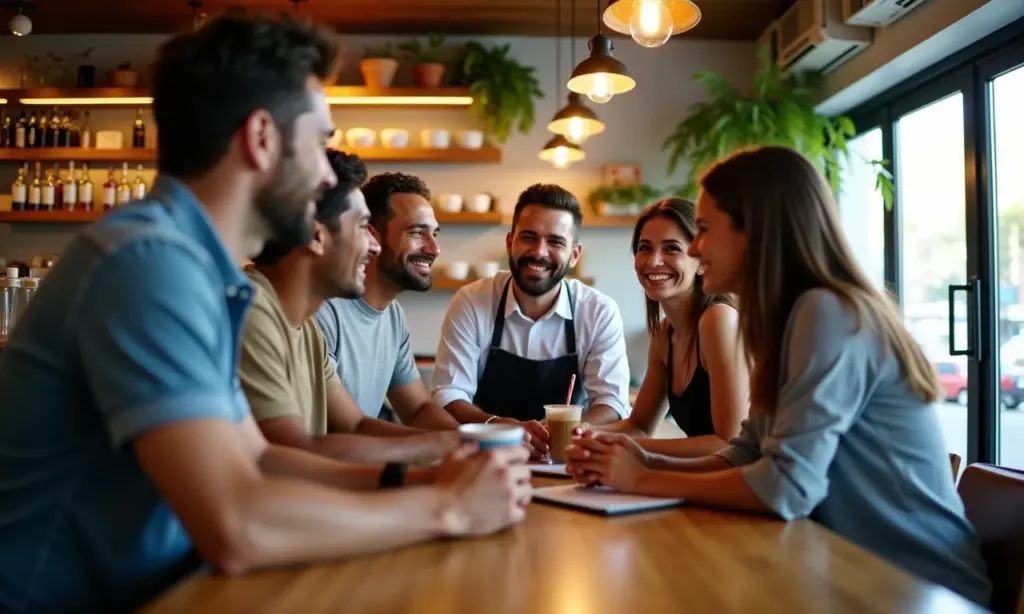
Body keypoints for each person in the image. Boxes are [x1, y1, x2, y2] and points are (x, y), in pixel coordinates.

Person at [0, 15, 528, 614]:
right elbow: (236, 522)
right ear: (261, 139)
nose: (329, 175)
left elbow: (260, 459)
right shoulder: (149, 262)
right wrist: (449, 508)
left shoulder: (198, 269)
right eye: (318, 143)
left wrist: (426, 478)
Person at [565, 145, 991, 606]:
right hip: (848, 570)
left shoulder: (826, 311)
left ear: (756, 232)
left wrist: (643, 479)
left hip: (919, 588)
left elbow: (785, 488)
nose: (693, 247)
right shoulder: (786, 319)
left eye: (704, 230)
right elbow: (746, 453)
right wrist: (643, 460)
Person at [241, 152, 459, 465]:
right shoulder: (253, 310)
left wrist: (462, 444)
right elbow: (291, 456)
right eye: (362, 227)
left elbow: (356, 424)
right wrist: (447, 452)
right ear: (318, 235)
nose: (372, 246)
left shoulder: (306, 327)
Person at [432, 183, 632, 456]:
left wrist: (569, 432)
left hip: (568, 459)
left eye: (555, 242)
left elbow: (612, 403)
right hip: (486, 455)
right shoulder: (471, 301)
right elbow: (449, 394)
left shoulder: (598, 311)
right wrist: (500, 427)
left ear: (574, 255)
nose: (539, 252)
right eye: (529, 237)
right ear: (509, 242)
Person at [578, 198, 749, 458]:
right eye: (644, 248)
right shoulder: (663, 334)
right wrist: (583, 433)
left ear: (700, 260)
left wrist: (621, 446)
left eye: (671, 249)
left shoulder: (718, 320)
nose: (654, 261)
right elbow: (639, 426)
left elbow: (730, 443)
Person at [315, 172, 459, 430]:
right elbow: (349, 429)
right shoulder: (323, 310)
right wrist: (453, 445)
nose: (434, 248)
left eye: (434, 234)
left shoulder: (392, 314)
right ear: (372, 236)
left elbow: (418, 410)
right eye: (417, 232)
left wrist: (477, 440)